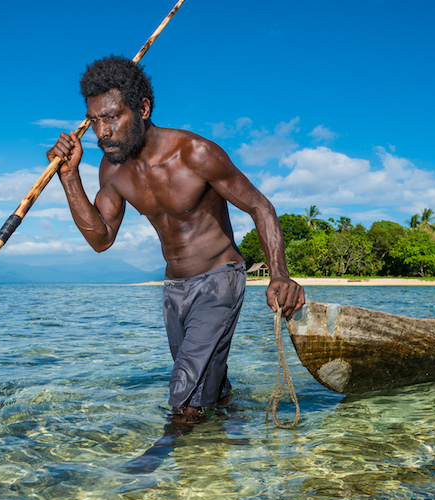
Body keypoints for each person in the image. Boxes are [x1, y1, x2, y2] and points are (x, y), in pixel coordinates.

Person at [47, 55, 305, 422]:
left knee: (185, 400)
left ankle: (162, 466)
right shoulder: (112, 168)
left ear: (143, 108)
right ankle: (233, 430)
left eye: (111, 117)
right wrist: (70, 178)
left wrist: (279, 274)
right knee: (207, 385)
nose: (102, 132)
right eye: (94, 120)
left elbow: (260, 207)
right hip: (174, 289)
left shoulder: (195, 154)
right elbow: (101, 238)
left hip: (220, 279)